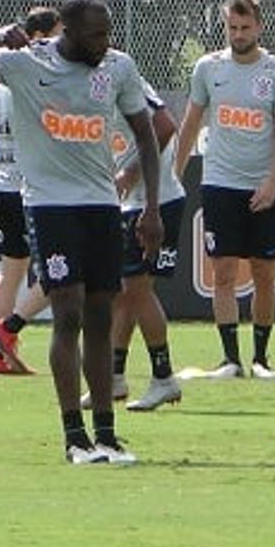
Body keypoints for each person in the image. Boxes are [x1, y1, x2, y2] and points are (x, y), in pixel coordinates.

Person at [0, 0, 162, 465]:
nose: (106, 42)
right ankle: (74, 438)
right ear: (69, 34)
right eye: (96, 34)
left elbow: (146, 132)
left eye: (108, 32)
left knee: (102, 315)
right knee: (68, 313)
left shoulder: (117, 68)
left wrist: (151, 208)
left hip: (102, 205)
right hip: (50, 207)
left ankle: (107, 434)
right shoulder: (26, 63)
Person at [172, 0, 275, 379]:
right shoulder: (208, 68)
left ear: (259, 27)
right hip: (220, 182)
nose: (238, 34)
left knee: (263, 272)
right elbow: (191, 124)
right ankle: (230, 359)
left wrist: (272, 183)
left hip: (261, 186)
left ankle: (261, 358)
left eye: (245, 27)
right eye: (232, 27)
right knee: (222, 271)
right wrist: (174, 175)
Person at [0, 6, 61, 377]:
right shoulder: (33, 73)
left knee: (10, 271)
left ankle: (3, 353)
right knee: (61, 271)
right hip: (32, 184)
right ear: (43, 36)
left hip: (2, 181)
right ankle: (9, 328)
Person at [109, 82, 185, 412]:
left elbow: (166, 125)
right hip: (139, 201)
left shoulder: (117, 74)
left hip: (155, 200)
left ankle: (164, 377)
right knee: (126, 292)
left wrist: (131, 171)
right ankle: (113, 377)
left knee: (136, 291)